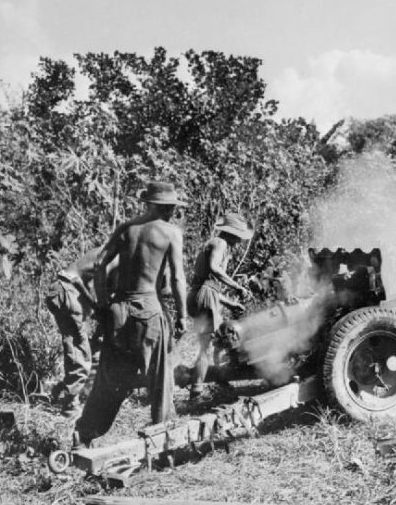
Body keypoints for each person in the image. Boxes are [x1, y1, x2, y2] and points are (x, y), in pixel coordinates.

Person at [73, 181, 188, 448]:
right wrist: (182, 315)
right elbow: (179, 278)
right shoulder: (171, 233)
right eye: (170, 207)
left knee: (109, 378)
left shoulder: (127, 229)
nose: (172, 211)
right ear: (163, 207)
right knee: (160, 378)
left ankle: (84, 434)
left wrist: (103, 303)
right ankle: (164, 440)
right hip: (149, 311)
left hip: (119, 310)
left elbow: (101, 262)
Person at [45, 247, 118, 416]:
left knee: (78, 345)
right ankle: (70, 405)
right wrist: (98, 308)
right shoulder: (115, 256)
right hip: (68, 290)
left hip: (63, 289)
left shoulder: (111, 252)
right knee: (79, 349)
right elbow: (96, 288)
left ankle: (68, 390)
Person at [187, 212, 253, 399]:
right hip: (205, 294)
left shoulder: (213, 243)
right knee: (209, 345)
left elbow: (208, 285)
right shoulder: (221, 243)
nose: (239, 241)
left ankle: (219, 380)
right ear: (231, 233)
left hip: (200, 293)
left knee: (215, 342)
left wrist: (231, 303)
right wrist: (237, 286)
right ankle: (197, 390)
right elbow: (215, 269)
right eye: (238, 236)